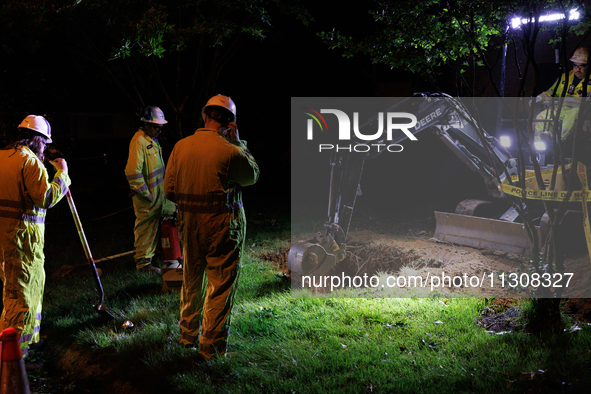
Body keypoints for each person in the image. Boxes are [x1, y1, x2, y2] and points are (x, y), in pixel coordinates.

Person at [163, 95, 259, 359]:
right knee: (220, 285)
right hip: (223, 227)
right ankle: (211, 348)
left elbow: (169, 189)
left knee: (191, 280)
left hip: (189, 226)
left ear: (204, 115)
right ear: (230, 122)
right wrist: (237, 141)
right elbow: (252, 176)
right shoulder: (230, 151)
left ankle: (187, 336)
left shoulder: (180, 147)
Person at [0, 115, 70, 357]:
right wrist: (62, 174)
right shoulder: (29, 163)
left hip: (6, 240)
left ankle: (25, 342)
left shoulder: (3, 158)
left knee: (14, 293)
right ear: (37, 140)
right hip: (24, 242)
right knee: (23, 297)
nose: (45, 149)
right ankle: (17, 355)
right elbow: (47, 198)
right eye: (45, 144)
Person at [125, 106, 176, 274]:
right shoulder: (139, 141)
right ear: (145, 124)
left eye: (161, 127)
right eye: (156, 127)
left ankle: (158, 256)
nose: (159, 130)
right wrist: (146, 194)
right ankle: (143, 264)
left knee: (159, 227)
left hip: (158, 197)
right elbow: (132, 172)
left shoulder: (151, 140)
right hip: (147, 199)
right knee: (145, 230)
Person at [535, 46, 590, 142]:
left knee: (574, 113)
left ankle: (558, 141)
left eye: (582, 66)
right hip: (562, 107)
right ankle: (539, 144)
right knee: (541, 117)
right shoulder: (566, 77)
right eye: (575, 65)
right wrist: (540, 98)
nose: (578, 69)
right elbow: (552, 91)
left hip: (580, 111)